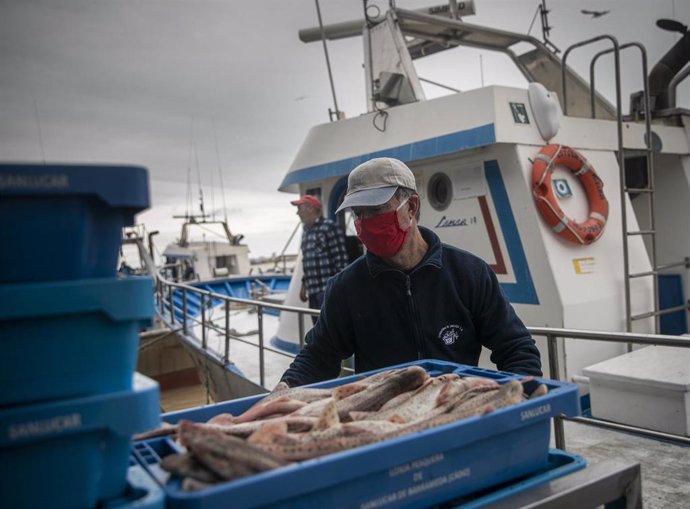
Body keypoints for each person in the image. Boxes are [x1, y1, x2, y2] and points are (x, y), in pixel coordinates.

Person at [280, 157, 541, 387]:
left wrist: (521, 395)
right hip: (383, 423)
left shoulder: (469, 274)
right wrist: (283, 391)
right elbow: (318, 357)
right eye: (358, 213)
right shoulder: (346, 288)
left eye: (376, 209)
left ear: (412, 206)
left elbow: (516, 347)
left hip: (454, 416)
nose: (366, 222)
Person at [291, 194, 348, 323]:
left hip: (327, 291)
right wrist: (303, 285)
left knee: (331, 329)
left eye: (299, 209)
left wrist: (337, 291)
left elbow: (341, 261)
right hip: (313, 292)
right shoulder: (306, 231)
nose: (297, 213)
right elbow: (307, 261)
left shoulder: (329, 227)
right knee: (318, 330)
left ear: (310, 208)